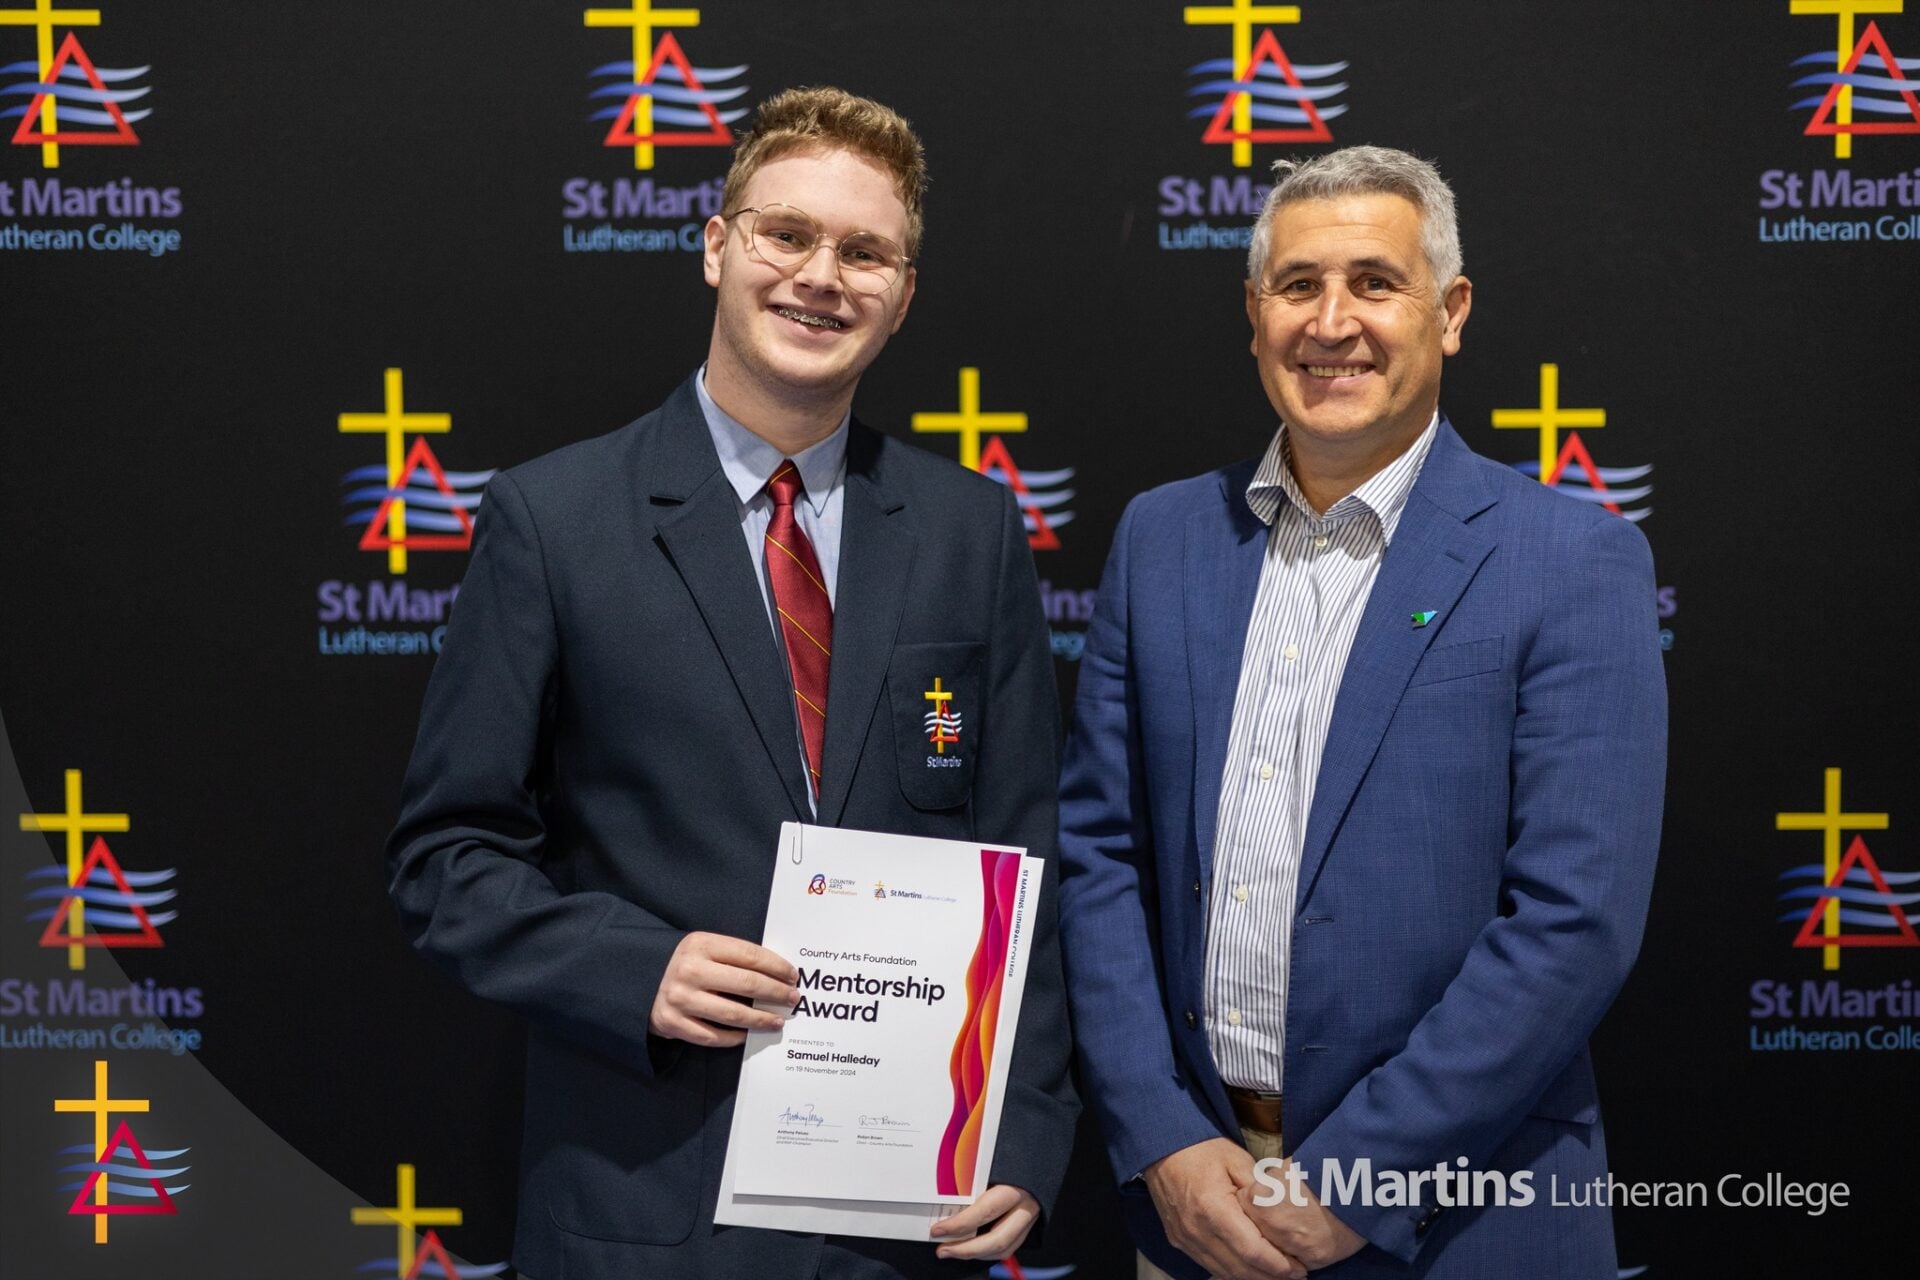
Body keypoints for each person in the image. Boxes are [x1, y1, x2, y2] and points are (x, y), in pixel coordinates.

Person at [387, 87, 1075, 1280]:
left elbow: (1026, 857)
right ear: (717, 246)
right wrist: (631, 965)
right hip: (647, 1210)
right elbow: (447, 856)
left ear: (903, 296)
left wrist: (1025, 1123)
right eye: (787, 233)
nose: (822, 276)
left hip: (902, 1223)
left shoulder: (972, 532)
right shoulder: (553, 521)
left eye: (866, 252)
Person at [1056, 145, 1666, 1280]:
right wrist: (1162, 1136)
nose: (1331, 321)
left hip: (1462, 1213)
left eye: (1375, 283)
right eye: (1298, 286)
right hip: (1200, 1209)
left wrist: (1365, 1173)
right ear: (1254, 314)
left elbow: (1574, 918)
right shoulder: (1161, 539)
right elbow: (1098, 853)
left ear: (1451, 311)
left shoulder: (1574, 559)